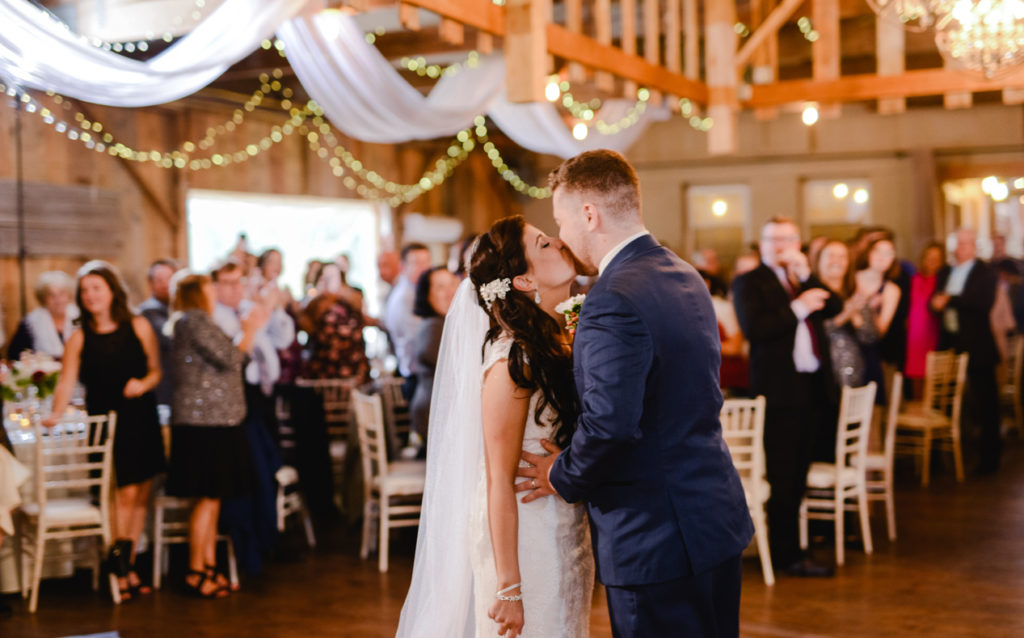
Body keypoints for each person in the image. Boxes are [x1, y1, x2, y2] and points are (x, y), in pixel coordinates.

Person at [519, 150, 753, 637]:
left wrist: (561, 473)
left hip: (655, 537)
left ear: (589, 214)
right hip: (713, 518)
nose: (562, 236)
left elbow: (611, 426)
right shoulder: (684, 273)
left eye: (561, 221)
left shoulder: (612, 297)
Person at [396, 217, 595, 637]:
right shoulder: (511, 360)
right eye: (543, 244)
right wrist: (508, 586)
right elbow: (497, 480)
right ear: (523, 281)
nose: (558, 241)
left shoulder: (561, 339)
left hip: (564, 520)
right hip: (526, 534)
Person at [45, 261, 167, 600]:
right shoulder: (79, 337)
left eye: (97, 288)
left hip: (141, 416)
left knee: (141, 493)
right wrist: (55, 414)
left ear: (112, 291)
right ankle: (119, 569)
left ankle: (128, 564)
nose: (90, 296)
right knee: (120, 495)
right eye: (85, 291)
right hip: (108, 423)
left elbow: (156, 371)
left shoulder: (139, 326)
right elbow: (66, 381)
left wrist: (142, 384)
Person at [732, 216, 842, 578]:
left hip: (811, 389)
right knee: (783, 476)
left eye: (788, 239)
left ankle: (794, 546)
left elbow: (835, 307)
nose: (780, 245)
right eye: (773, 239)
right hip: (778, 394)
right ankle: (787, 555)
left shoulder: (798, 278)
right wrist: (799, 307)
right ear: (762, 244)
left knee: (800, 473)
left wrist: (808, 276)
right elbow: (755, 329)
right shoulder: (750, 281)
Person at [167, 272, 267, 598]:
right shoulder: (194, 320)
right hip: (204, 424)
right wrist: (249, 329)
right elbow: (233, 358)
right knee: (206, 499)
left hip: (215, 422)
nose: (214, 292)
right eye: (209, 288)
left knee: (213, 499)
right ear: (198, 292)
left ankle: (208, 565)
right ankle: (196, 570)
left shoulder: (196, 321)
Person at [932, 228, 1001, 474]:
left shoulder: (985, 272)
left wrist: (950, 300)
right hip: (950, 343)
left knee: (985, 403)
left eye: (966, 244)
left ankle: (989, 457)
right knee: (944, 401)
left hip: (978, 346)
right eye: (958, 244)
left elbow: (983, 303)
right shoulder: (945, 271)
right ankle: (941, 458)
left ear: (974, 246)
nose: (961, 248)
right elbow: (935, 300)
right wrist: (937, 303)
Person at [409, 266, 459, 448]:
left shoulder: (442, 323)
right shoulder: (434, 327)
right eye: (440, 287)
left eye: (452, 284)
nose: (450, 291)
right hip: (436, 417)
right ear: (427, 296)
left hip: (439, 412)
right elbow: (455, 373)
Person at [850, 236, 903, 404]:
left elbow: (880, 332)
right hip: (843, 348)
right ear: (868, 253)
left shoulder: (891, 290)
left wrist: (869, 309)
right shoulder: (849, 278)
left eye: (888, 253)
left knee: (870, 406)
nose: (882, 256)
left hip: (869, 353)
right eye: (878, 251)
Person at [300, 262, 370, 382]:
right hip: (325, 373)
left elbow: (362, 320)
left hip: (353, 370)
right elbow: (307, 326)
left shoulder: (351, 302)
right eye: (324, 278)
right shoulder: (315, 305)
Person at [383, 243, 432, 387]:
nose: (424, 268)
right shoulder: (405, 297)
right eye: (417, 263)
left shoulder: (415, 291)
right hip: (415, 374)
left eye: (426, 262)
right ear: (403, 267)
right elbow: (417, 338)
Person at [7, 271, 79, 360]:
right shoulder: (30, 323)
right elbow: (14, 354)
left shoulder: (80, 318)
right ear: (43, 299)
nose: (58, 300)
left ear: (69, 295)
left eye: (62, 294)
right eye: (51, 295)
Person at [904, 243, 945, 397]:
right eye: (929, 257)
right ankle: (917, 408)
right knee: (915, 377)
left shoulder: (942, 282)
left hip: (933, 333)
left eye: (936, 258)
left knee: (933, 375)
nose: (932, 261)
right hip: (914, 336)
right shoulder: (913, 279)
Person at [138, 259, 178, 406]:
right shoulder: (149, 311)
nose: (165, 284)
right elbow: (170, 336)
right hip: (163, 388)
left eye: (169, 279)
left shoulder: (177, 308)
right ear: (151, 284)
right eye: (159, 280)